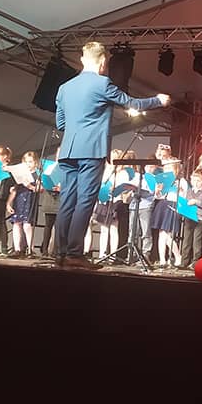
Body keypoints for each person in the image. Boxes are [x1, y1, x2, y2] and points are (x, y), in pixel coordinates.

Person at [54, 41, 169, 270]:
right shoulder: (102, 83)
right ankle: (74, 254)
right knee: (85, 201)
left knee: (67, 201)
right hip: (91, 150)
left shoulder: (64, 88)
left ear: (82, 59)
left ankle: (60, 253)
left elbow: (61, 123)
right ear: (103, 62)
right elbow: (132, 103)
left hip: (68, 151)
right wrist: (158, 100)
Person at [5, 151, 40, 259]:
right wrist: (8, 203)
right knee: (16, 223)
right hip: (19, 200)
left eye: (30, 162)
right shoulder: (20, 174)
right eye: (26, 162)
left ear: (35, 162)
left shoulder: (37, 174)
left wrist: (29, 186)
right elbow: (15, 190)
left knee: (27, 225)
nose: (28, 164)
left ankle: (30, 249)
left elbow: (40, 189)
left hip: (30, 201)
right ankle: (17, 249)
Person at [180, 168, 202, 269]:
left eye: (198, 181)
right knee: (186, 240)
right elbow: (186, 203)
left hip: (200, 219)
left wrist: (196, 202)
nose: (195, 183)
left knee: (196, 241)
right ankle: (184, 261)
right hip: (189, 218)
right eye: (194, 180)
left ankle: (195, 262)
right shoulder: (190, 190)